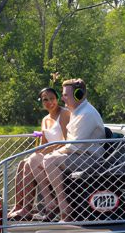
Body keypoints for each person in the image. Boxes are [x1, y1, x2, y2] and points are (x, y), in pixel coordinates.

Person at [39, 78, 105, 222]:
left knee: (50, 160)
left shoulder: (86, 114)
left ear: (79, 95)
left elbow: (74, 146)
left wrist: (53, 153)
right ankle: (43, 206)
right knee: (39, 160)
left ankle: (64, 208)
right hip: (79, 156)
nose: (62, 98)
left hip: (91, 160)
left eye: (66, 95)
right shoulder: (76, 111)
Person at [8, 87, 71, 221]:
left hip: (62, 154)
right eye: (45, 100)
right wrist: (38, 150)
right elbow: (43, 143)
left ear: (57, 98)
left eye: (52, 99)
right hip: (49, 154)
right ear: (41, 102)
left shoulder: (64, 114)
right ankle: (22, 206)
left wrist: (47, 149)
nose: (49, 102)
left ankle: (37, 206)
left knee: (31, 161)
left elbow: (67, 141)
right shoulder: (45, 120)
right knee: (23, 163)